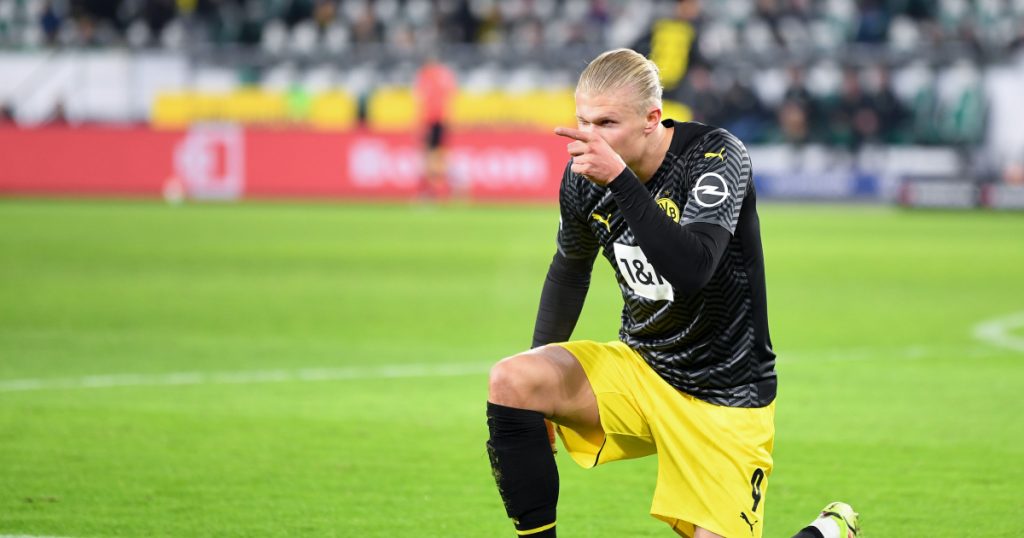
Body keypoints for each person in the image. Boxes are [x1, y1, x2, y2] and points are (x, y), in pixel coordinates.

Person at [484, 48, 860, 538]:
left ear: (651, 119)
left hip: (726, 394)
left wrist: (619, 180)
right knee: (512, 380)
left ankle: (827, 533)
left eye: (606, 122)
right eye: (582, 121)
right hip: (642, 370)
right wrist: (540, 393)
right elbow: (570, 269)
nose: (589, 137)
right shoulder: (584, 178)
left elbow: (693, 269)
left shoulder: (715, 157)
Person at [413, 53, 458, 199]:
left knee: (431, 156)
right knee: (439, 156)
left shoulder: (425, 75)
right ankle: (447, 187)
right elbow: (451, 95)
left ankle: (431, 190)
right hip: (438, 120)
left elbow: (420, 97)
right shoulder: (445, 74)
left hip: (433, 120)